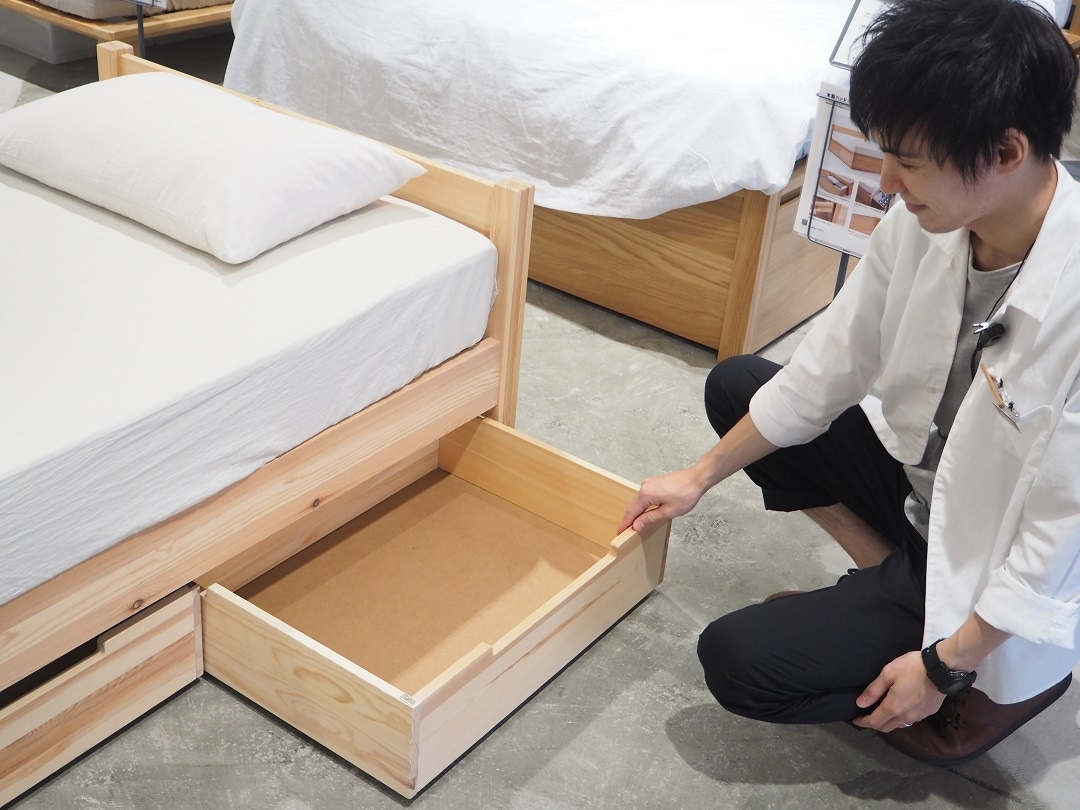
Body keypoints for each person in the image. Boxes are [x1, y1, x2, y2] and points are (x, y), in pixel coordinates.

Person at [618, 0, 1080, 766]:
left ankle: (986, 685)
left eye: (910, 161)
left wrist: (944, 665)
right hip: (926, 495)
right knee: (739, 386)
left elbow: (1058, 539)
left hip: (998, 562)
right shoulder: (927, 223)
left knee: (741, 662)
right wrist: (695, 479)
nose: (886, 181)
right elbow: (826, 370)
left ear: (1005, 151)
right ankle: (888, 582)